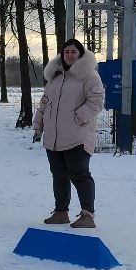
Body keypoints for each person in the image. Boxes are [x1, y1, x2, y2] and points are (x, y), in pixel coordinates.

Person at [32, 37, 105, 228]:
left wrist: (78, 119)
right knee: (59, 174)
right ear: (62, 54)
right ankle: (61, 212)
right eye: (66, 52)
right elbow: (44, 102)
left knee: (80, 174)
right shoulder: (56, 76)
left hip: (77, 136)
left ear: (80, 53)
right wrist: (38, 123)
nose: (70, 55)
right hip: (53, 137)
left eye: (73, 51)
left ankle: (87, 215)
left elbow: (96, 102)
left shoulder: (89, 75)